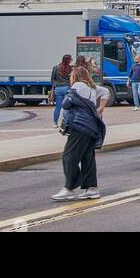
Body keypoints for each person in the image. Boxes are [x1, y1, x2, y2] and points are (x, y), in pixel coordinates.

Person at [52, 65, 107, 201]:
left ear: (75, 76)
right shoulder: (92, 88)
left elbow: (66, 104)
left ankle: (69, 187)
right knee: (87, 158)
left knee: (69, 156)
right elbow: (106, 91)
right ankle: (92, 189)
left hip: (80, 126)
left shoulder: (78, 85)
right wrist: (100, 108)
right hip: (92, 128)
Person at [51, 54, 73, 123]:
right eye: (70, 59)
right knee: (66, 106)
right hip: (66, 89)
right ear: (68, 60)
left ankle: (55, 122)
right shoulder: (70, 68)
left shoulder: (56, 67)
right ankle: (66, 122)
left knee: (58, 107)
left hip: (58, 89)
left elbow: (52, 79)